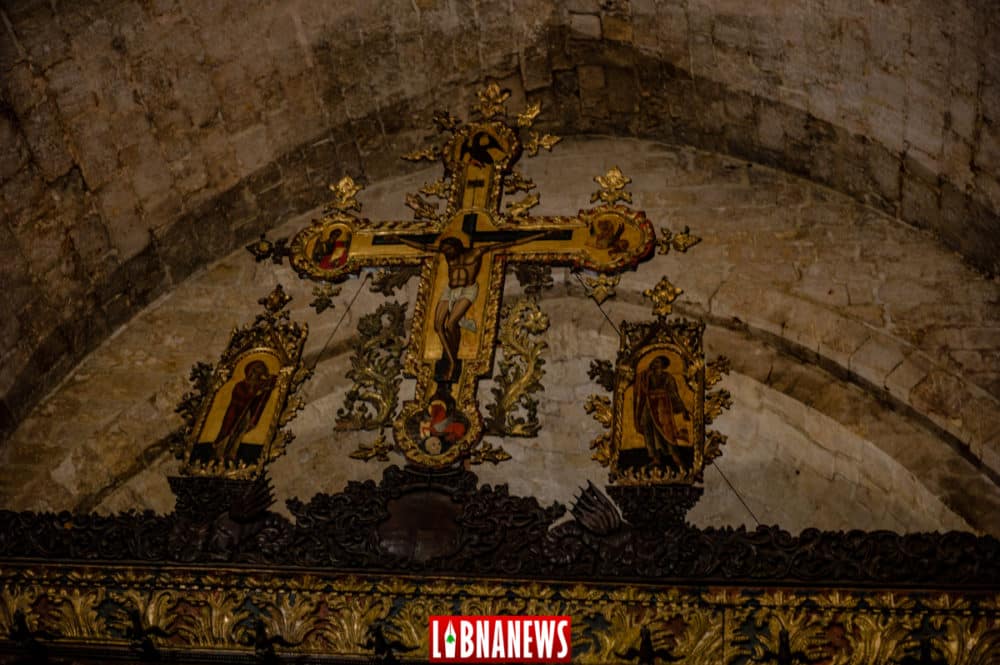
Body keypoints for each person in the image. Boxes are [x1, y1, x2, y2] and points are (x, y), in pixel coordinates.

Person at [395, 232, 549, 381]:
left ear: (457, 247)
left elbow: (506, 244)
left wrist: (538, 235)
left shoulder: (475, 253)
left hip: (468, 291)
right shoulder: (447, 255)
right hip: (449, 290)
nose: (446, 253)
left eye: (449, 249)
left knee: (451, 324)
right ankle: (450, 359)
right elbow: (424, 247)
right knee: (437, 326)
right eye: (445, 250)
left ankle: (453, 363)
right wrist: (399, 238)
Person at [633, 355, 693, 472]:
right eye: (654, 361)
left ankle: (676, 458)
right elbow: (641, 389)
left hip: (662, 406)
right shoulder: (646, 376)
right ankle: (655, 458)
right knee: (648, 429)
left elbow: (674, 394)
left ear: (663, 365)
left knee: (667, 431)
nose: (654, 363)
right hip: (648, 406)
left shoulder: (668, 377)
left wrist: (683, 409)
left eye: (658, 362)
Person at [213, 360, 277, 463]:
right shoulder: (240, 385)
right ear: (251, 371)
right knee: (230, 432)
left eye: (261, 371)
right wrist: (253, 395)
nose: (257, 374)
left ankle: (231, 454)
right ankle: (221, 453)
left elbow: (272, 381)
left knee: (239, 433)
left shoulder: (260, 384)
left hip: (247, 414)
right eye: (257, 370)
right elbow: (239, 397)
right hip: (235, 413)